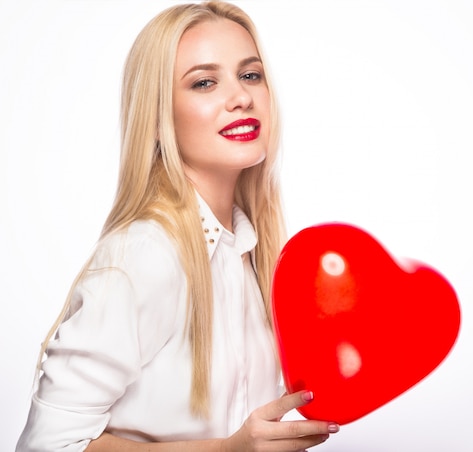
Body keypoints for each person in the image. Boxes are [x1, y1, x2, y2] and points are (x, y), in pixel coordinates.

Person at [16, 2, 339, 450]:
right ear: (158, 115)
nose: (241, 97)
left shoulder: (252, 256)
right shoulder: (145, 254)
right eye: (204, 82)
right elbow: (46, 446)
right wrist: (231, 449)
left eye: (250, 75)